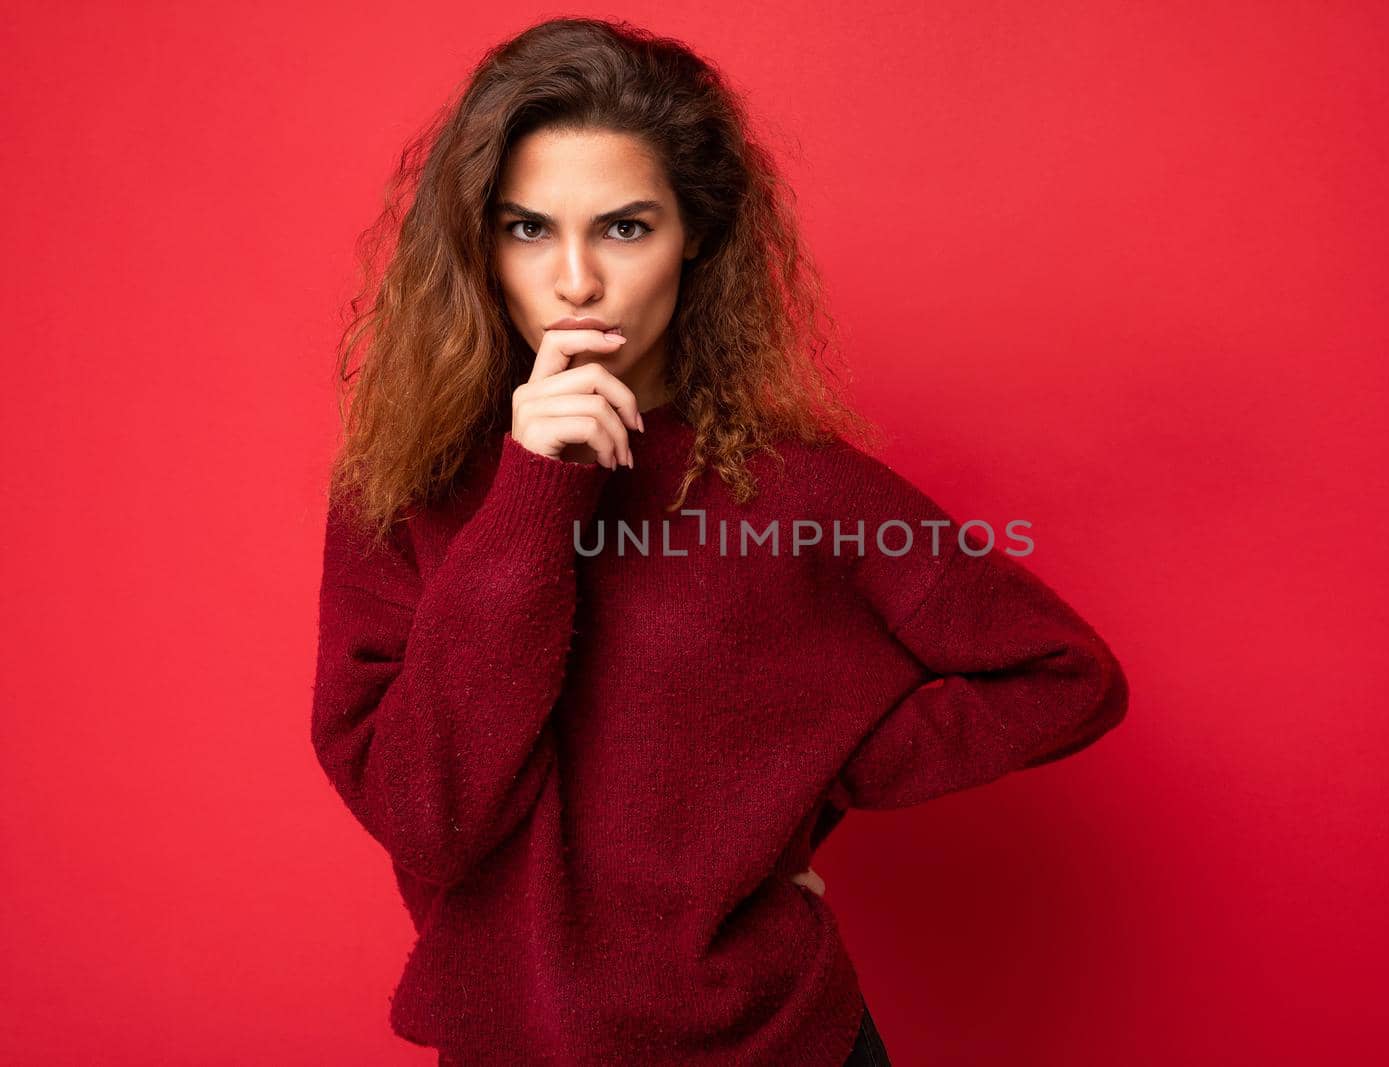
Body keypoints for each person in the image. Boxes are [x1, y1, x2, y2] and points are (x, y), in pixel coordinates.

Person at [311, 16, 1128, 1066]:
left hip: (771, 1039)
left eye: (623, 228)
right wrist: (534, 489)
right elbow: (430, 819)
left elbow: (1061, 673)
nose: (573, 281)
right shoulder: (402, 489)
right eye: (525, 229)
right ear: (476, 241)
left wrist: (809, 776)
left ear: (693, 233)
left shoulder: (798, 487)